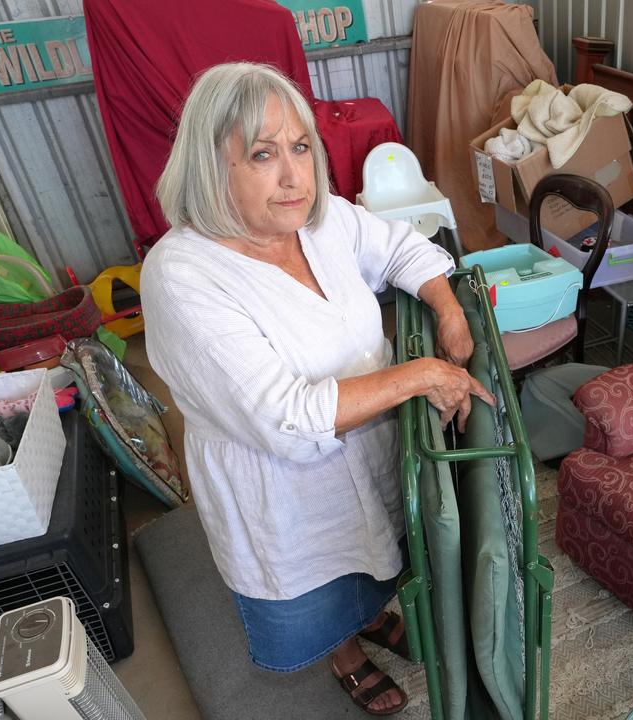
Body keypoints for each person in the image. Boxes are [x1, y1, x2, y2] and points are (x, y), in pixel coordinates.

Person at [141, 62, 493, 716]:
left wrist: (447, 309)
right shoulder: (182, 277)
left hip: (366, 446)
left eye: (301, 147)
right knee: (319, 584)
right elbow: (286, 421)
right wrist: (422, 373)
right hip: (283, 490)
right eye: (263, 154)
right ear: (211, 169)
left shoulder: (322, 221)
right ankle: (346, 655)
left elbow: (401, 249)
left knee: (376, 554)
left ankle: (365, 621)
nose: (293, 175)